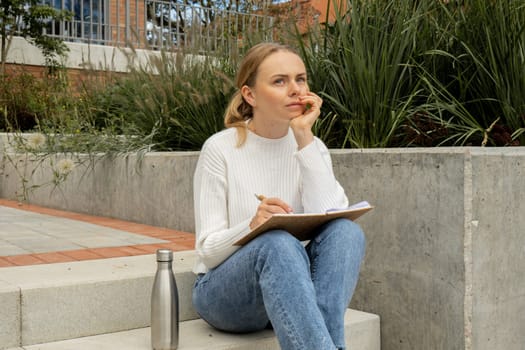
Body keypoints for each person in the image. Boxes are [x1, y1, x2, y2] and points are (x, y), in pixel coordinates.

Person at [192, 42, 366, 350]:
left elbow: (331, 215)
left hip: (290, 289)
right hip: (224, 295)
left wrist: (303, 137)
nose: (296, 90)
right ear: (250, 95)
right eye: (279, 81)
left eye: (301, 79)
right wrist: (253, 225)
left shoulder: (312, 146)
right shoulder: (220, 149)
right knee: (276, 242)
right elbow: (207, 251)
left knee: (347, 232)